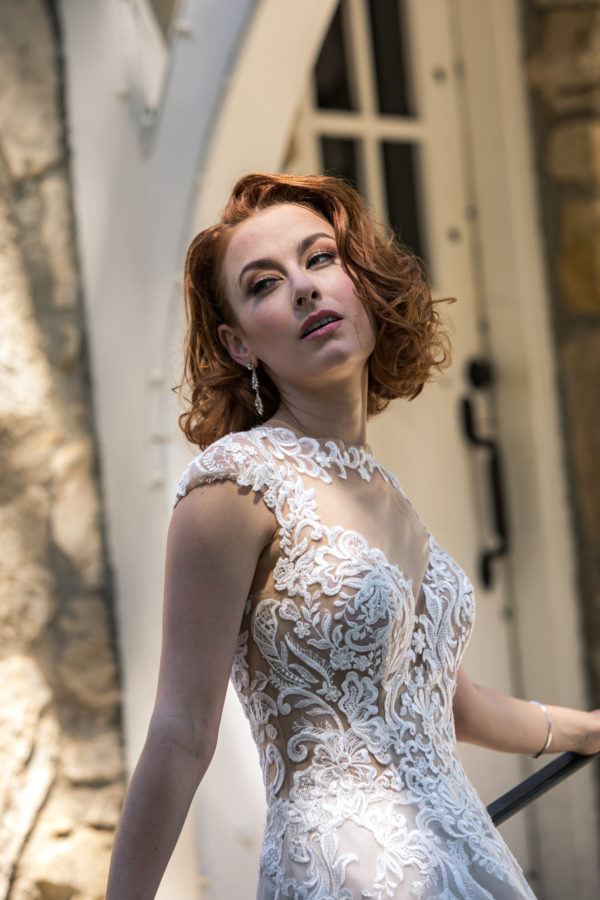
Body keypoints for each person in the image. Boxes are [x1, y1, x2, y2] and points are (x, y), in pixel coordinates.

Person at [106, 173, 600, 899]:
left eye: (320, 259)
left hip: (469, 866)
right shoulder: (234, 485)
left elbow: (450, 704)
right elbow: (182, 730)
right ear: (239, 344)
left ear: (364, 284)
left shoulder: (386, 490)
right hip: (346, 875)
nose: (303, 289)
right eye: (264, 283)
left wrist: (585, 729)